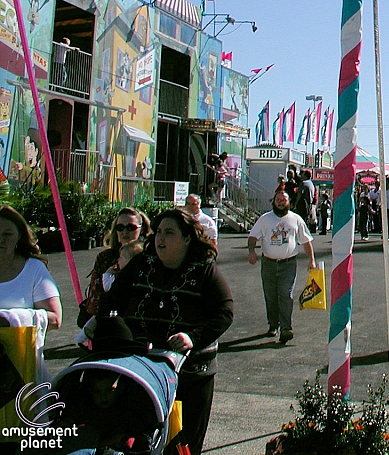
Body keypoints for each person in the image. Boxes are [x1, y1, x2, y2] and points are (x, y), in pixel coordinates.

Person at [103, 208, 233, 455]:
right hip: (143, 371)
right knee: (139, 443)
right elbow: (112, 304)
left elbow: (224, 312)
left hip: (190, 375)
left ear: (186, 238)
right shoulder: (142, 264)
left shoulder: (203, 270)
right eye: (159, 232)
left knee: (181, 447)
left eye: (169, 232)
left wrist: (192, 337)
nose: (160, 238)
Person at [248, 188, 315, 343]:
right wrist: (251, 251)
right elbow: (253, 236)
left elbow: (306, 240)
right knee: (271, 296)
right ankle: (273, 324)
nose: (280, 203)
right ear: (274, 202)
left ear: (289, 202)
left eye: (283, 200)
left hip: (288, 264)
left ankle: (286, 328)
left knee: (285, 295)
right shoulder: (265, 219)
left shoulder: (296, 219)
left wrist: (311, 259)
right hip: (269, 263)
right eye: (278, 200)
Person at [81, 207, 151, 325]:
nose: (125, 232)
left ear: (141, 229)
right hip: (107, 321)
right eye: (120, 227)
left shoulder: (149, 257)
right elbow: (95, 297)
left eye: (131, 227)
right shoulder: (105, 258)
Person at [0, 205, 61, 338]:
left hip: (18, 356)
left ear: (19, 236)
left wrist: (9, 320)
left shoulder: (33, 269)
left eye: (7, 234)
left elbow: (55, 319)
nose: (0, 240)